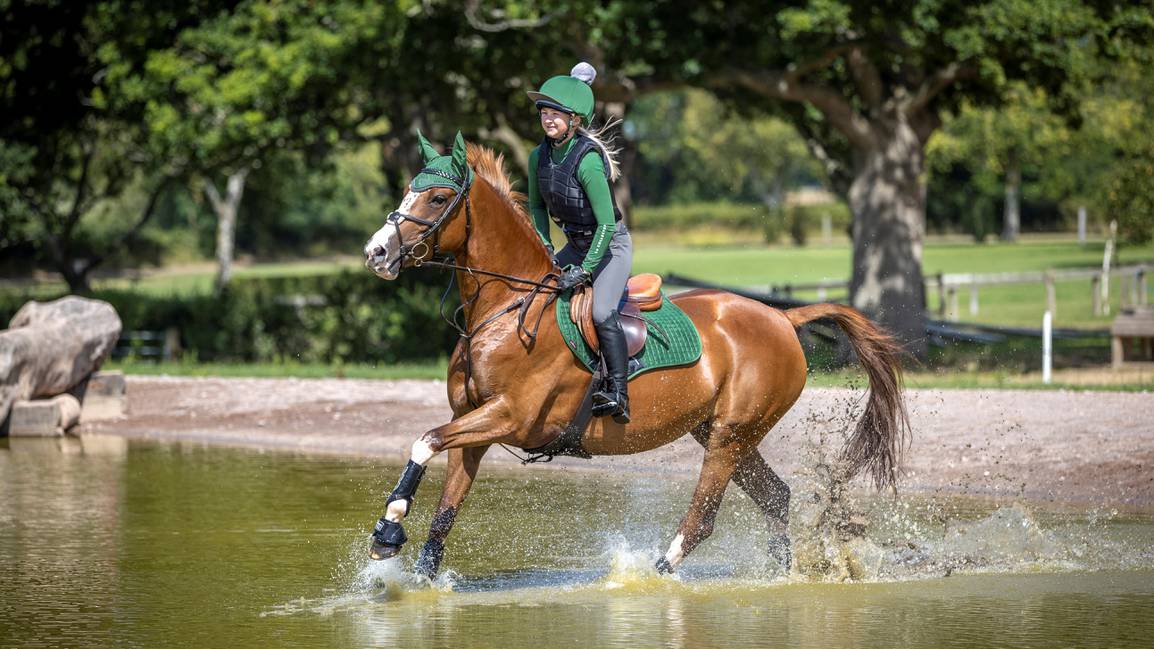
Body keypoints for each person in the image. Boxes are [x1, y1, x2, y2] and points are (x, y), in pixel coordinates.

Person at [526, 62, 633, 424]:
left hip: (610, 246)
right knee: (536, 295)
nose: (548, 118)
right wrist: (544, 251)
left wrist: (585, 271)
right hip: (574, 244)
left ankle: (618, 392)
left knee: (602, 311)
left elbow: (606, 223)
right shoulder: (537, 157)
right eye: (544, 111)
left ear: (575, 120)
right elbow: (538, 211)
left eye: (556, 113)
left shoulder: (587, 160)